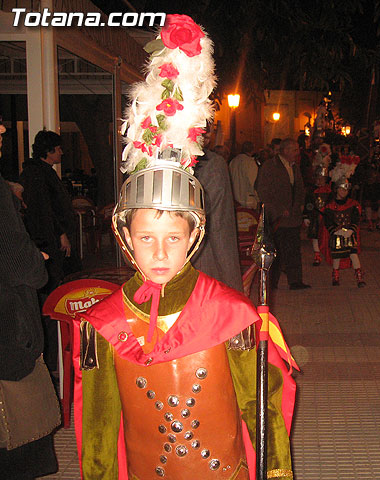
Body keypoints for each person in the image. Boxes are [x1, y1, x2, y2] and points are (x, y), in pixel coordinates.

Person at [74, 14, 295, 479]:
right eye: (146, 238)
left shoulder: (233, 316)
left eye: (172, 239)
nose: (158, 254)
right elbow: (96, 436)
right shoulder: (102, 323)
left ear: (195, 236)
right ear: (124, 237)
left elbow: (264, 415)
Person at [0, 123, 61, 480]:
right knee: (19, 438)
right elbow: (17, 259)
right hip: (7, 328)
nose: (4, 126)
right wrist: (38, 262)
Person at [20, 129, 79, 292]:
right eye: (58, 148)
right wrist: (61, 234)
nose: (62, 152)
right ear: (48, 151)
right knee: (54, 279)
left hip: (54, 235)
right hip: (49, 238)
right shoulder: (36, 174)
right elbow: (45, 209)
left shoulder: (45, 172)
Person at [191, 125, 244, 293]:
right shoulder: (213, 165)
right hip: (203, 261)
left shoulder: (154, 159)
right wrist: (232, 283)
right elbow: (220, 225)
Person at [256, 138, 310, 290]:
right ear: (285, 151)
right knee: (276, 251)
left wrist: (300, 204)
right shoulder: (270, 166)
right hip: (278, 218)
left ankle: (295, 281)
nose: (297, 153)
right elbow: (263, 191)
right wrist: (278, 209)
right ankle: (271, 283)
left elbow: (299, 188)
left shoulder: (294, 167)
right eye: (294, 150)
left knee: (294, 249)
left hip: (293, 217)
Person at [321, 157, 365, 287]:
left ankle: (359, 276)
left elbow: (356, 219)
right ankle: (335, 275)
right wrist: (336, 231)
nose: (343, 192)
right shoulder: (330, 207)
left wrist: (351, 229)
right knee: (337, 256)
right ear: (336, 190)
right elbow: (328, 221)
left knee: (353, 254)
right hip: (336, 234)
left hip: (349, 234)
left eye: (346, 190)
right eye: (341, 189)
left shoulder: (353, 205)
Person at [304, 166, 332, 266]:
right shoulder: (311, 191)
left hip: (325, 218)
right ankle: (317, 255)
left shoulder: (329, 191)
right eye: (318, 178)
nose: (320, 181)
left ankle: (328, 253)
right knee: (315, 236)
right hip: (314, 217)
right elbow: (308, 204)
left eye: (322, 179)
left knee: (326, 236)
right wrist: (306, 216)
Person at [228, 141, 259, 210]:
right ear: (253, 150)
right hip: (248, 201)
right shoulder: (250, 163)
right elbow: (253, 182)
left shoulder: (233, 161)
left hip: (235, 200)